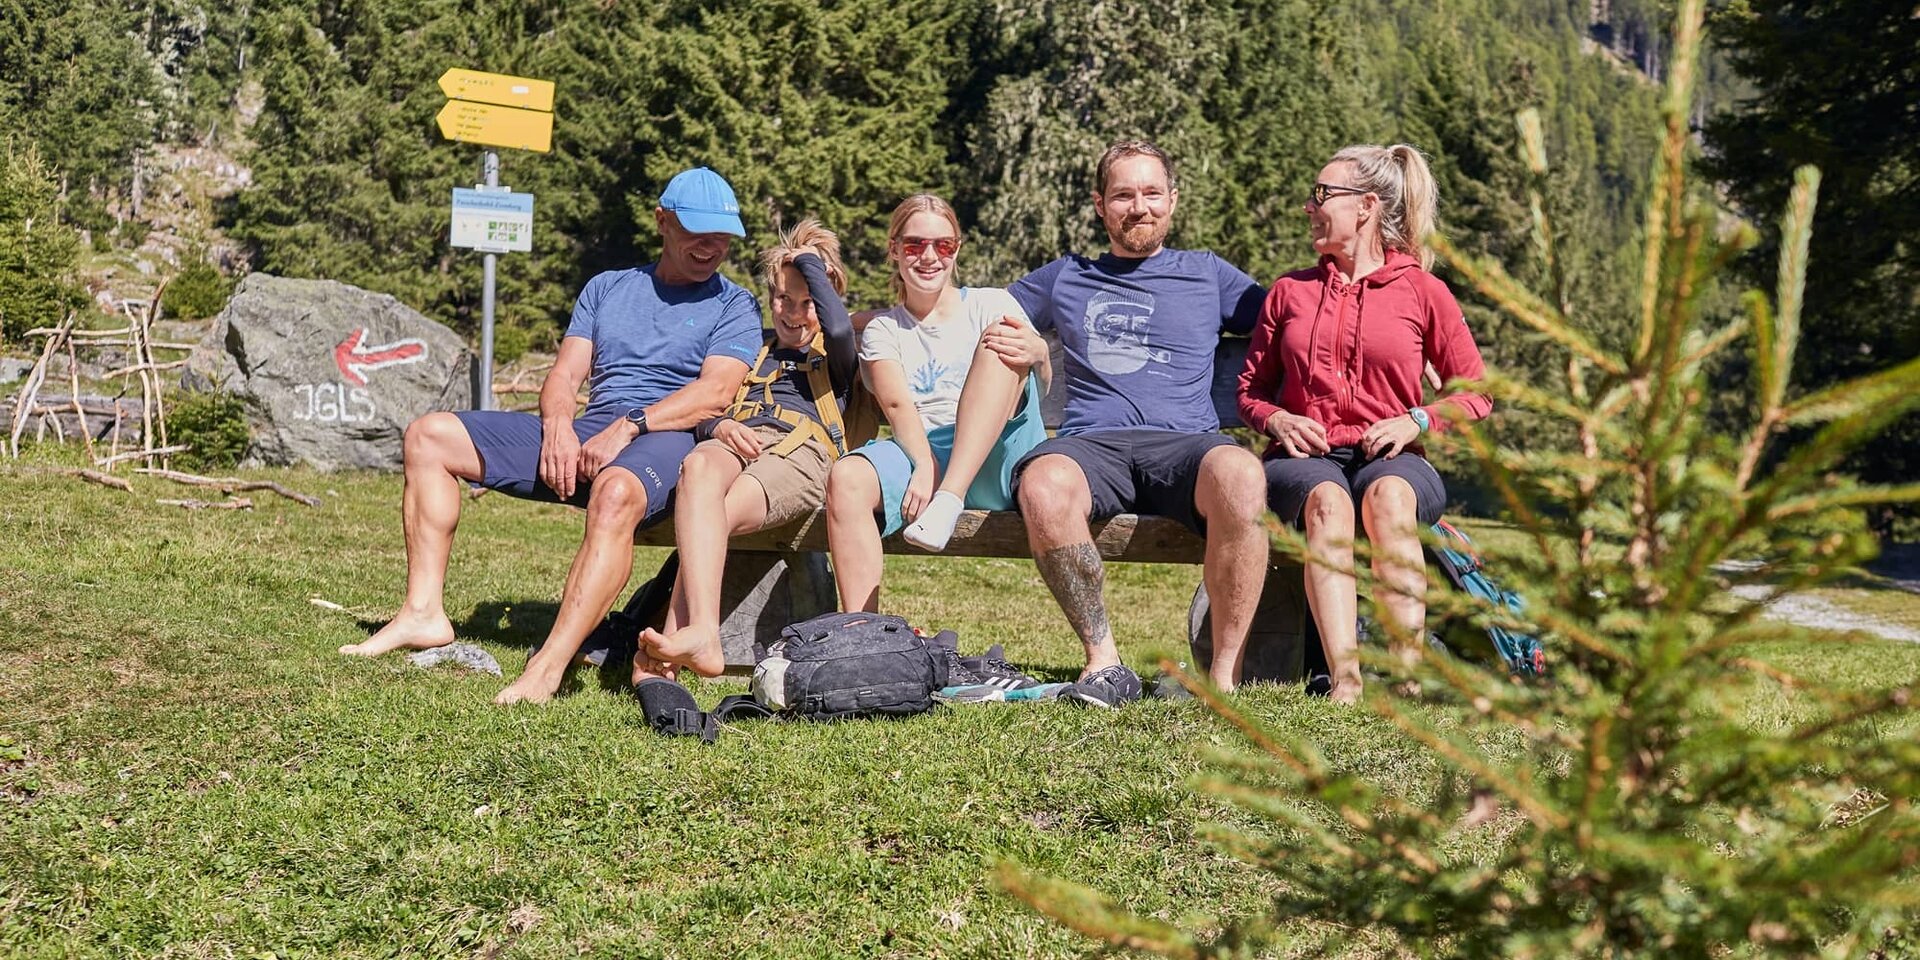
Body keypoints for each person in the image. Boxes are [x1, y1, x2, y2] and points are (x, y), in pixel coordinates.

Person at [340, 166, 764, 706]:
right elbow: (565, 374)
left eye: (722, 237)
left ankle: (549, 664)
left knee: (614, 493)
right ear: (662, 221)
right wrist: (559, 426)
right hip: (592, 432)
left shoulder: (734, 304)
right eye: (697, 232)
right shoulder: (607, 287)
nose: (711, 247)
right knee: (429, 436)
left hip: (669, 438)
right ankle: (422, 612)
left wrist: (631, 424)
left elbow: (714, 393)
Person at [1005, 139, 1271, 705]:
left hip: (1187, 446)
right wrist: (860, 323)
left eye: (1152, 192)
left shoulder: (1208, 274)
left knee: (1242, 474)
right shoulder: (1065, 277)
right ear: (1101, 205)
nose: (1139, 207)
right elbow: (969, 316)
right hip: (1091, 446)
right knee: (1043, 484)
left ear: (1173, 200)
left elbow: (1297, 318)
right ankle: (1103, 663)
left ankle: (1223, 677)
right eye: (1123, 194)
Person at [1236, 144, 1491, 704]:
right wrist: (1278, 418)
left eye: (1321, 195)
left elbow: (1474, 393)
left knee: (1390, 500)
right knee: (1329, 504)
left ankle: (1404, 681)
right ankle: (1345, 683)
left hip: (1394, 457)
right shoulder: (1290, 291)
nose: (1309, 206)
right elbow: (1249, 393)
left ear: (1367, 206)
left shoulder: (1424, 291)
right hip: (1305, 462)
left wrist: (1416, 420)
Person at [638, 219, 857, 677]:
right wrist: (717, 428)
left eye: (807, 302)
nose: (793, 313)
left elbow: (837, 327)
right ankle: (699, 636)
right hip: (738, 441)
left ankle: (673, 645)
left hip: (800, 451)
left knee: (712, 516)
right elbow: (705, 407)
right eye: (782, 299)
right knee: (696, 468)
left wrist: (807, 261)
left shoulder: (835, 354)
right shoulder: (751, 348)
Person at [823, 194, 1052, 612]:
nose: (929, 257)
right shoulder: (883, 331)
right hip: (924, 455)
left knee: (1000, 341)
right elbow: (897, 407)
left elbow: (1043, 384)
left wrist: (1040, 352)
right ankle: (861, 633)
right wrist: (925, 464)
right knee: (848, 476)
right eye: (914, 245)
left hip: (1002, 455)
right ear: (894, 249)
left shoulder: (991, 304)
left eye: (943, 245)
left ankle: (951, 499)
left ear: (956, 249)